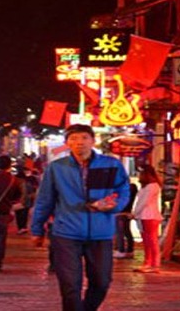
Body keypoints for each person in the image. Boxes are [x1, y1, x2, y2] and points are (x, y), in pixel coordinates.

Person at [31, 124, 130, 311]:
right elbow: (45, 199)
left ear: (93, 141)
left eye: (84, 138)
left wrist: (113, 206)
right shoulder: (57, 168)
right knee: (70, 284)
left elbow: (123, 190)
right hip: (66, 232)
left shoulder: (111, 164)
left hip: (101, 233)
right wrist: (37, 229)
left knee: (101, 281)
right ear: (67, 143)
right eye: (74, 139)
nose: (79, 143)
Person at [131, 165, 163, 273]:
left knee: (151, 240)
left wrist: (135, 213)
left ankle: (154, 264)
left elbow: (144, 202)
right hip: (143, 216)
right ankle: (148, 262)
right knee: (146, 241)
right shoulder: (147, 186)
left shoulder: (152, 186)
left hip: (149, 216)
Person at [113, 180, 138, 259]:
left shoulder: (126, 190)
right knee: (126, 231)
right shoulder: (131, 189)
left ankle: (121, 250)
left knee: (120, 232)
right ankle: (129, 250)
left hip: (121, 212)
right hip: (126, 212)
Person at [13, 166, 39, 234]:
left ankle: (21, 227)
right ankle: (23, 227)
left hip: (17, 200)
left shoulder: (15, 180)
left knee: (19, 214)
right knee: (24, 214)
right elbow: (33, 189)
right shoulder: (28, 180)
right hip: (26, 199)